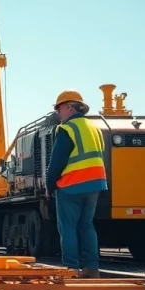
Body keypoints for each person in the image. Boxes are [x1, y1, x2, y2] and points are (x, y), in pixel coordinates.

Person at [45, 90, 107, 278]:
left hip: (72, 184)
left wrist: (50, 185)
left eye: (59, 109)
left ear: (69, 107)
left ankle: (71, 269)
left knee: (68, 227)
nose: (58, 114)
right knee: (87, 225)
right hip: (95, 184)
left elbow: (57, 161)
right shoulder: (94, 128)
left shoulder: (67, 129)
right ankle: (92, 268)